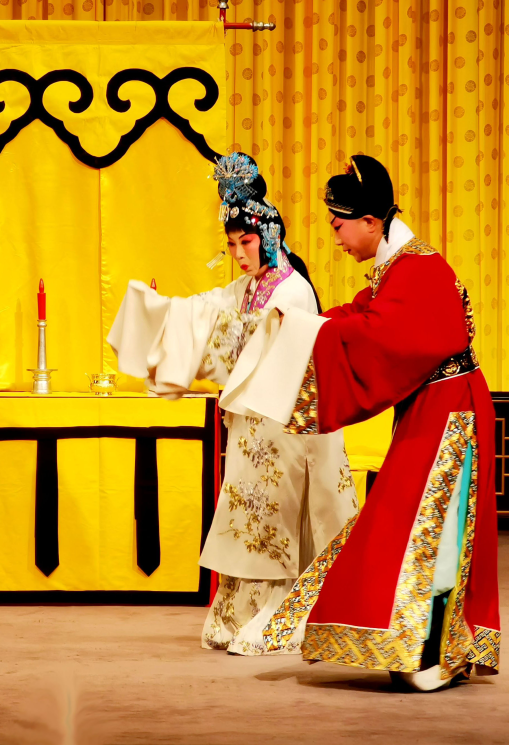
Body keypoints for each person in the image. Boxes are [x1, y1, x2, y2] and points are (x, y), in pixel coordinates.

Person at [224, 155, 500, 690]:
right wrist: (309, 325)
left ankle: (433, 650)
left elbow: (383, 334)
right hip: (433, 407)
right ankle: (428, 646)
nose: (336, 238)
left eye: (339, 226)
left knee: (431, 530)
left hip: (453, 412)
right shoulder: (399, 267)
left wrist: (316, 332)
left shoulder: (419, 268)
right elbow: (363, 314)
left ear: (371, 222)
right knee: (413, 526)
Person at [108, 153, 358, 655]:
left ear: (269, 236)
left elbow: (257, 343)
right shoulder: (244, 288)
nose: (239, 254)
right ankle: (239, 612)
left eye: (246, 242)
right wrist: (163, 314)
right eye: (231, 245)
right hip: (250, 425)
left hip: (288, 428)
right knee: (246, 517)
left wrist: (220, 331)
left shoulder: (294, 291)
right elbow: (206, 312)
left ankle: (285, 610)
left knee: (277, 518)